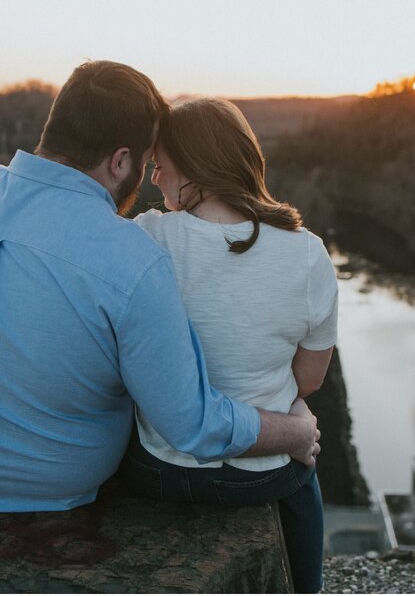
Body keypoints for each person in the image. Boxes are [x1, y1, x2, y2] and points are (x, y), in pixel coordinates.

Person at [0, 61, 320, 514]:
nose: (146, 178)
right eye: (145, 164)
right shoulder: (130, 256)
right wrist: (297, 432)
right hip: (42, 491)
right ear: (120, 160)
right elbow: (192, 425)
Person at [121, 97, 338, 593]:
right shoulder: (307, 254)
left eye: (161, 166)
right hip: (261, 476)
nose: (155, 179)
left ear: (195, 167)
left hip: (156, 467)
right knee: (304, 471)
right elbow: (308, 379)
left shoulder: (146, 236)